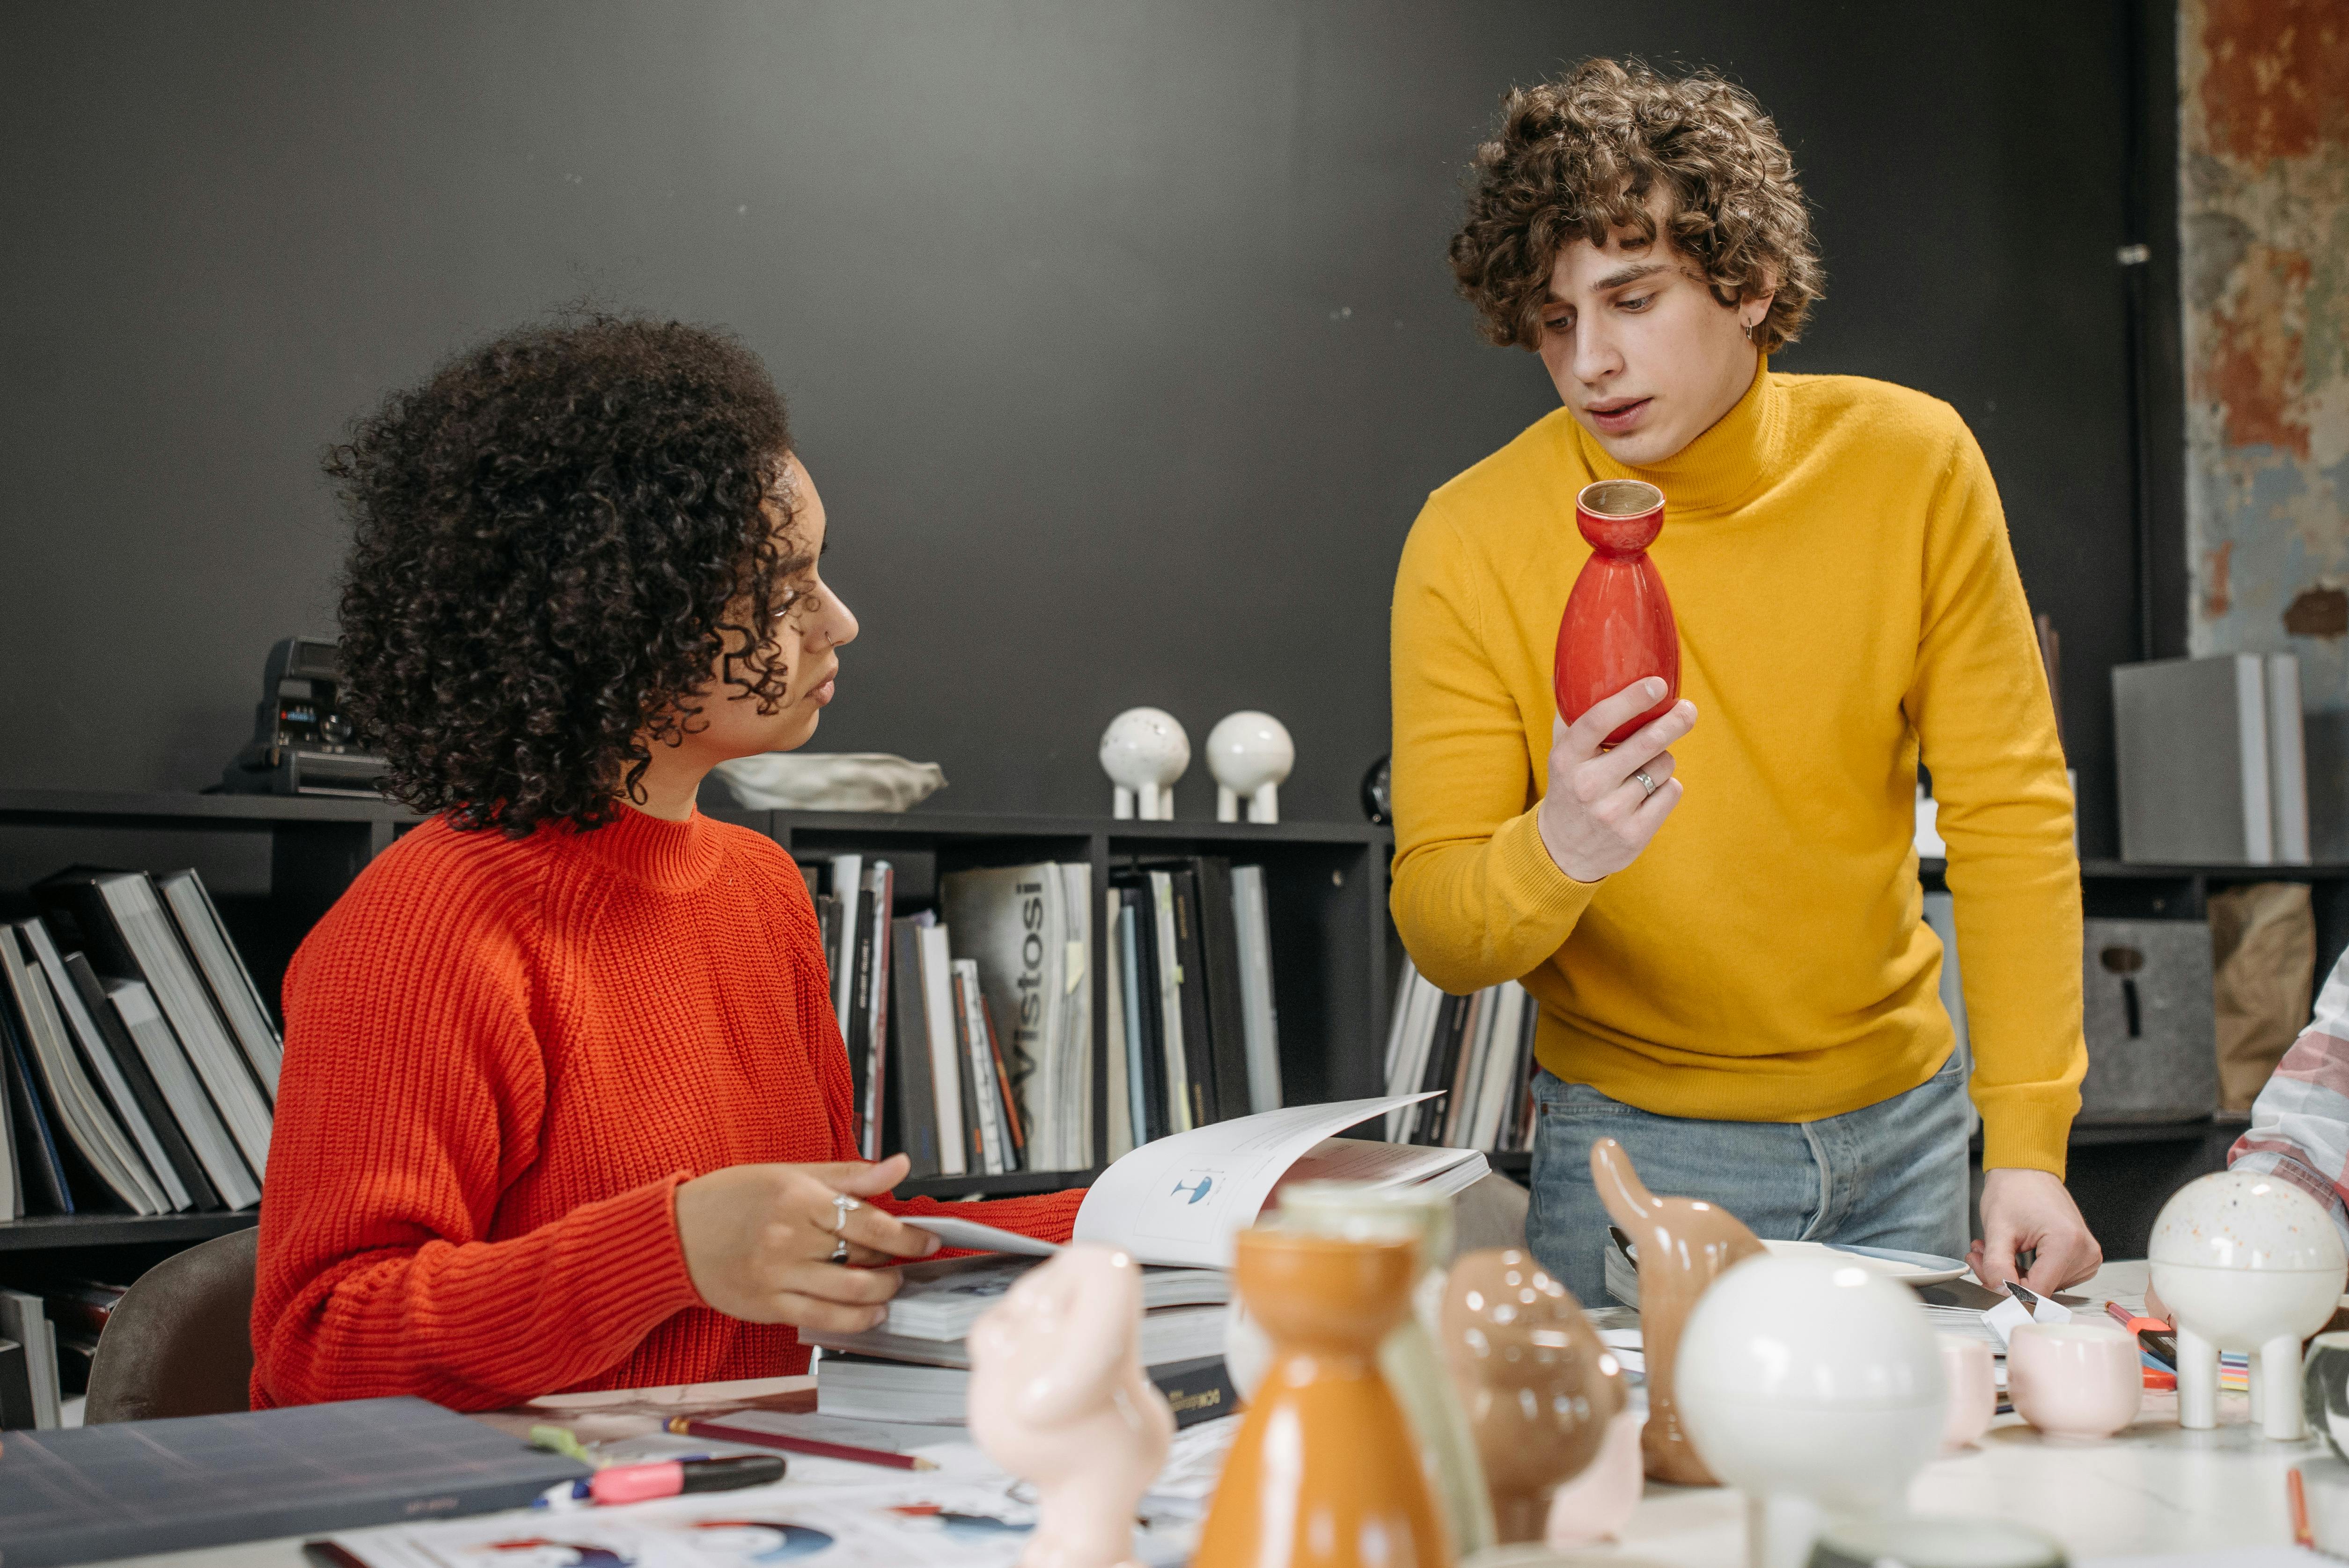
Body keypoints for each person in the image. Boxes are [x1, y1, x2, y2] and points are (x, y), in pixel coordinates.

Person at [251, 315, 1079, 1410]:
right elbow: (321, 1347)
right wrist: (668, 1250)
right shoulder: (427, 921)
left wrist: (1181, 1208)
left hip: (762, 1494)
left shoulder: (761, 890)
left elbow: (827, 1246)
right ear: (628, 619)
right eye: (784, 588)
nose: (841, 620)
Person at [1389, 59, 2101, 1306]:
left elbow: (2009, 808)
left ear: (1750, 281)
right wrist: (1557, 843)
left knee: (1892, 1494)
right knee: (1640, 1501)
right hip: (1637, 1153)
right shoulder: (1470, 533)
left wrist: (2029, 1140)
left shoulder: (1912, 464)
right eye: (1556, 320)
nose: (1591, 360)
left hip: (1908, 1137)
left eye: (1632, 296)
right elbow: (1441, 928)